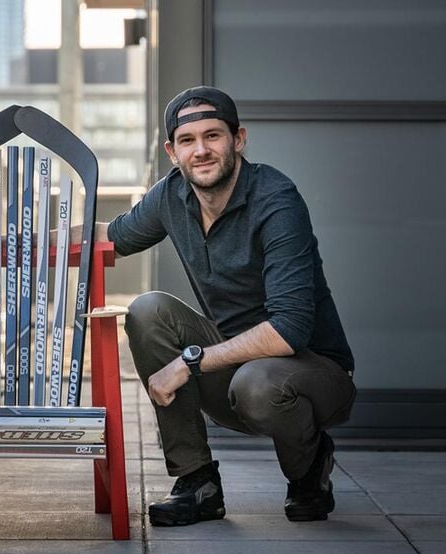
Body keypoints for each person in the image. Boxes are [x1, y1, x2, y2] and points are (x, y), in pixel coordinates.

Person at [98, 86, 357, 526]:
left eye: (213, 136)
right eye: (187, 140)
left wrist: (187, 363)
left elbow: (288, 329)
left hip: (312, 374)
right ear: (172, 151)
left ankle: (309, 468)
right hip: (234, 370)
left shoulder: (276, 199)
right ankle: (196, 483)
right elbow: (106, 238)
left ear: (238, 139)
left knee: (258, 382)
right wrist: (12, 242)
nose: (201, 150)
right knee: (148, 310)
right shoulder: (171, 195)